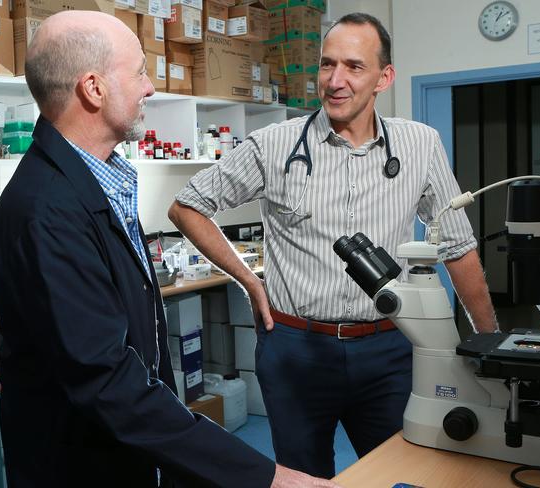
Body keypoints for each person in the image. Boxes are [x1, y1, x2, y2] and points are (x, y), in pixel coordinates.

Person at [0, 10, 341, 488]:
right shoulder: (46, 209)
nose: (150, 87)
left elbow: (79, 334)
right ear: (94, 89)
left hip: (130, 453)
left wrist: (39, 365)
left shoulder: (96, 181)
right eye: (139, 72)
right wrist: (268, 478)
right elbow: (110, 384)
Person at [169, 12, 499, 479]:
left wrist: (490, 346)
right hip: (295, 350)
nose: (335, 80)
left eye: (353, 67)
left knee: (403, 472)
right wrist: (248, 280)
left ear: (385, 77)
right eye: (326, 65)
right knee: (301, 479)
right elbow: (187, 205)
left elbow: (459, 247)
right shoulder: (274, 144)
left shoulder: (420, 145)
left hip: (390, 349)